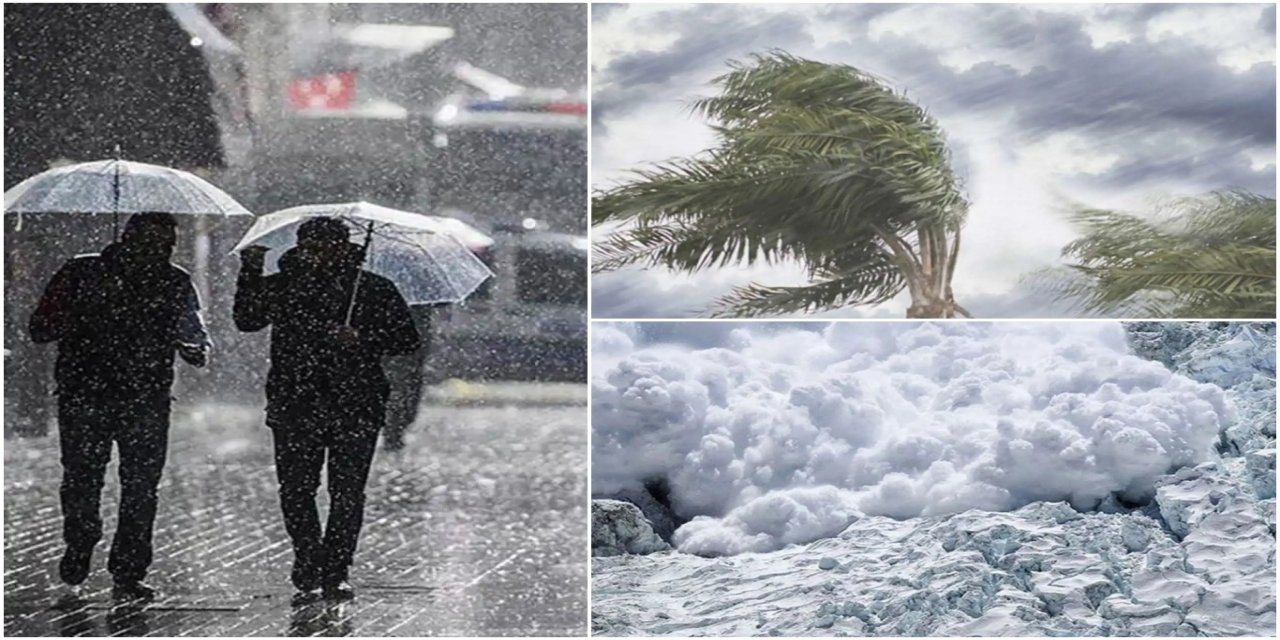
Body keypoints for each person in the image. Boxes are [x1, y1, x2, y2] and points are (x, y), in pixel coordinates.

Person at [234, 217, 419, 603]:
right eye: (310, 247)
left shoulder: (371, 288)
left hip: (356, 403)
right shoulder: (284, 285)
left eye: (324, 247)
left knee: (347, 492)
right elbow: (247, 319)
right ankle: (308, 556)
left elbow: (406, 339)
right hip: (295, 402)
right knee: (296, 490)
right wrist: (249, 271)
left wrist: (362, 337)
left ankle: (336, 570)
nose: (316, 255)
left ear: (342, 247)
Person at [28, 212, 210, 601]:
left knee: (140, 487)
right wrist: (88, 311)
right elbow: (40, 328)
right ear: (127, 238)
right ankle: (81, 540)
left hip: (144, 398)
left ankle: (128, 570)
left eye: (165, 245)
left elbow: (193, 336)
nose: (158, 251)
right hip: (86, 396)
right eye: (151, 242)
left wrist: (194, 348)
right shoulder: (81, 273)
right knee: (83, 479)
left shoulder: (173, 281)